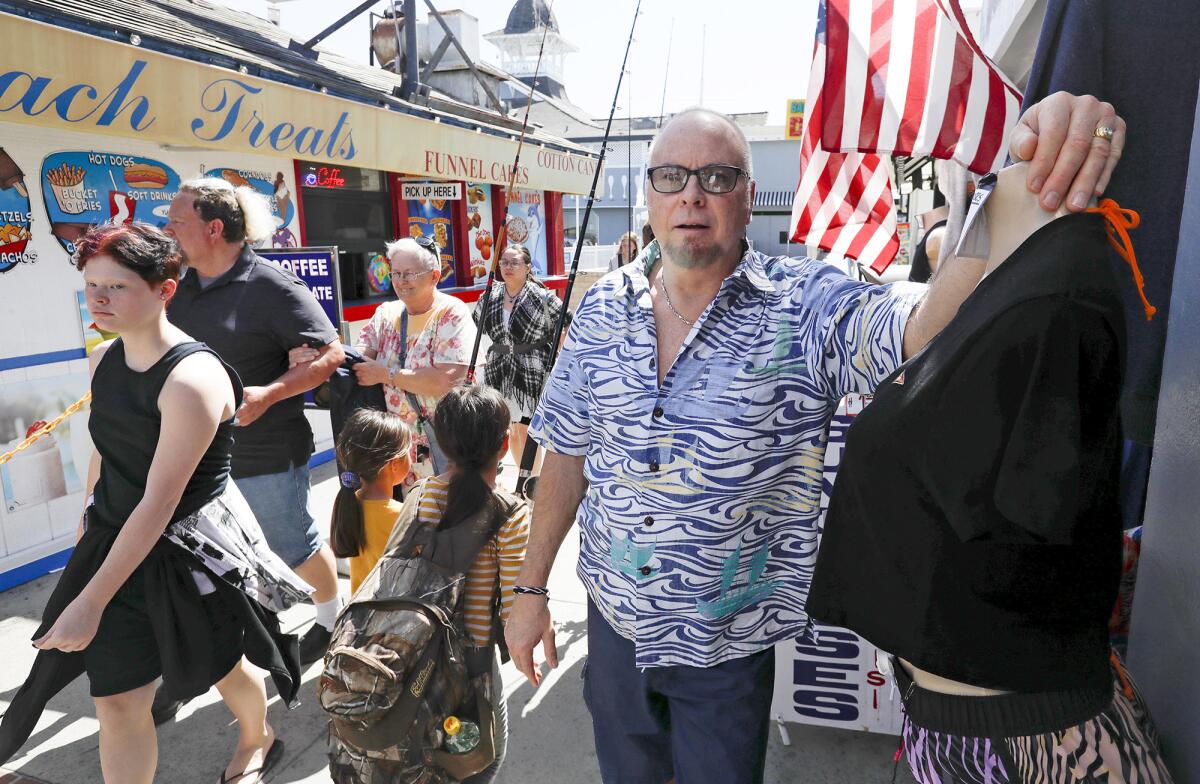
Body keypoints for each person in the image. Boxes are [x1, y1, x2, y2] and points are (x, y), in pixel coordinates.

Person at [504, 96, 1125, 784]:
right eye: (671, 177)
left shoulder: (802, 307)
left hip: (727, 654)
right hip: (614, 632)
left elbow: (917, 326)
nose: (692, 195)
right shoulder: (599, 307)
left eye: (717, 177)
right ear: (647, 195)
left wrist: (1014, 191)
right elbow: (566, 451)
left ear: (747, 196)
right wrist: (532, 591)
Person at [807, 163, 1175, 782]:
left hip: (1042, 750)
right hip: (954, 730)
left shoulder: (1059, 299)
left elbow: (1040, 523)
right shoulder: (1011, 283)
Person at [0, 224, 309, 784]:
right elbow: (105, 447)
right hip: (114, 540)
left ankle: (258, 735)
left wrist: (91, 600)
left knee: (220, 666)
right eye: (91, 285)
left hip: (188, 556)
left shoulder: (192, 378)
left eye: (116, 287)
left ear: (166, 290)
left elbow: (159, 503)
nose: (98, 299)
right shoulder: (104, 360)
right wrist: (87, 524)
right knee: (117, 701)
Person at [163, 178, 345, 691]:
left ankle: (331, 621)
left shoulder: (270, 285)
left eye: (177, 222)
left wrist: (269, 393)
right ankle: (249, 640)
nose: (167, 231)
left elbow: (330, 353)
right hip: (197, 454)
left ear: (214, 228)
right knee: (216, 557)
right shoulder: (180, 284)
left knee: (294, 549)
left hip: (265, 451)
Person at [329, 385, 530, 783]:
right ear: (504, 445)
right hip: (469, 658)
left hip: (408, 647)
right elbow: (513, 611)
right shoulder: (510, 513)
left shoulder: (419, 494)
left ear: (440, 443)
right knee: (477, 759)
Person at [344, 237, 482, 477]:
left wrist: (387, 375)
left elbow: (446, 380)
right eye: (395, 273)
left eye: (409, 273)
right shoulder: (386, 314)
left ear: (435, 276)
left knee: (447, 509)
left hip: (445, 444)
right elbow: (358, 360)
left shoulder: (450, 313)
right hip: (397, 452)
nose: (400, 281)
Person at [472, 243, 564, 475]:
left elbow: (566, 324)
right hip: (499, 368)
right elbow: (471, 327)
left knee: (526, 428)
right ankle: (521, 479)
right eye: (504, 262)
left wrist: (563, 358)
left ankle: (529, 480)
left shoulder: (542, 296)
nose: (508, 267)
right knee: (509, 428)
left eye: (514, 262)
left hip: (531, 367)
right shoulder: (490, 295)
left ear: (528, 267)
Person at [329, 409, 414, 593]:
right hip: (394, 612)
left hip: (361, 609)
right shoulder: (401, 515)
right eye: (409, 451)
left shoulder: (348, 501)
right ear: (394, 464)